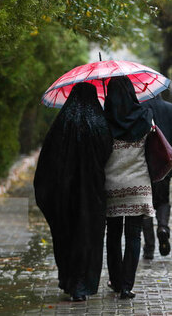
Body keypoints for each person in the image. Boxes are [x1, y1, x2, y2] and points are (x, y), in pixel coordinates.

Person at [33, 83, 113, 301]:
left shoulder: (62, 122)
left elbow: (47, 158)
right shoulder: (99, 121)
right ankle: (82, 284)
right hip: (92, 191)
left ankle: (69, 280)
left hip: (64, 192)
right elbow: (108, 151)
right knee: (89, 236)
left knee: (67, 235)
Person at [103, 76, 155, 299]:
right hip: (138, 185)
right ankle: (126, 286)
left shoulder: (104, 120)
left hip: (111, 185)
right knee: (134, 235)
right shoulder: (144, 116)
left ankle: (115, 281)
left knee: (113, 235)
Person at [141, 93, 172, 259]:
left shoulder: (141, 109)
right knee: (163, 199)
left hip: (145, 165)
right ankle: (163, 227)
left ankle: (149, 247)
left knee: (146, 204)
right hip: (166, 164)